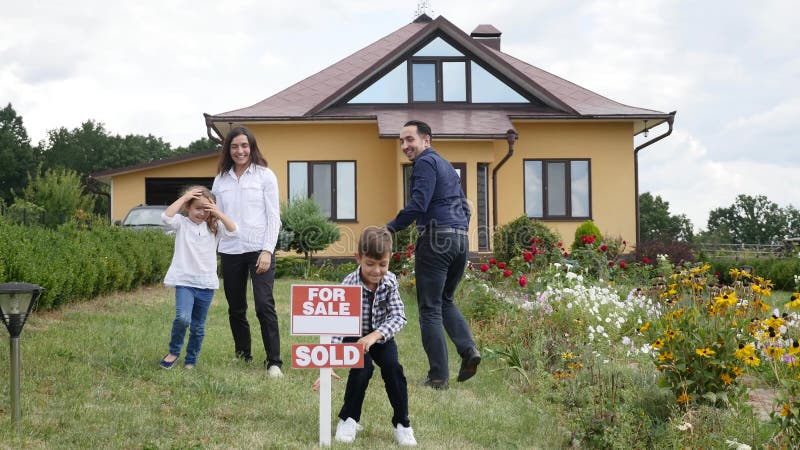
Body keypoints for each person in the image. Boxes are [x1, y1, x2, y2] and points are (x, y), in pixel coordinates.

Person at [387, 120, 481, 390]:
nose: (405, 146)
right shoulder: (447, 166)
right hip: (460, 239)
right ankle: (468, 349)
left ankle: (438, 377)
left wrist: (390, 228)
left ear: (426, 140)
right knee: (445, 301)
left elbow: (418, 203)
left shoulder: (425, 163)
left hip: (436, 238)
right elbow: (466, 206)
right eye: (401, 141)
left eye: (410, 140)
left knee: (429, 308)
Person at [313, 226, 417, 446]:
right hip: (353, 335)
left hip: (380, 336)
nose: (377, 270)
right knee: (362, 368)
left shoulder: (390, 282)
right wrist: (328, 363)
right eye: (370, 264)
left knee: (393, 368)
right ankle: (348, 419)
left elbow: (399, 317)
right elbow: (336, 325)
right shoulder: (349, 284)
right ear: (358, 258)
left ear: (389, 261)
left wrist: (375, 336)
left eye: (383, 264)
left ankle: (403, 424)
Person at [212, 126, 284, 377]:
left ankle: (274, 361)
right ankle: (243, 355)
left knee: (264, 305)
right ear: (228, 150)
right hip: (230, 250)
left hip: (259, 250)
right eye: (234, 146)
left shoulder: (265, 176)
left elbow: (274, 218)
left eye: (244, 146)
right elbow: (217, 220)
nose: (240, 151)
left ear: (252, 148)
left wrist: (267, 251)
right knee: (236, 307)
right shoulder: (221, 180)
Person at [159, 186, 238, 370]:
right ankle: (174, 351)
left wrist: (217, 212)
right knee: (182, 319)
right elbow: (166, 217)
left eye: (206, 209)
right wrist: (185, 196)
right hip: (185, 282)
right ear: (188, 207)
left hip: (206, 284)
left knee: (198, 326)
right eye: (197, 208)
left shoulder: (214, 227)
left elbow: (234, 231)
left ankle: (191, 360)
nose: (201, 213)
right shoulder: (181, 223)